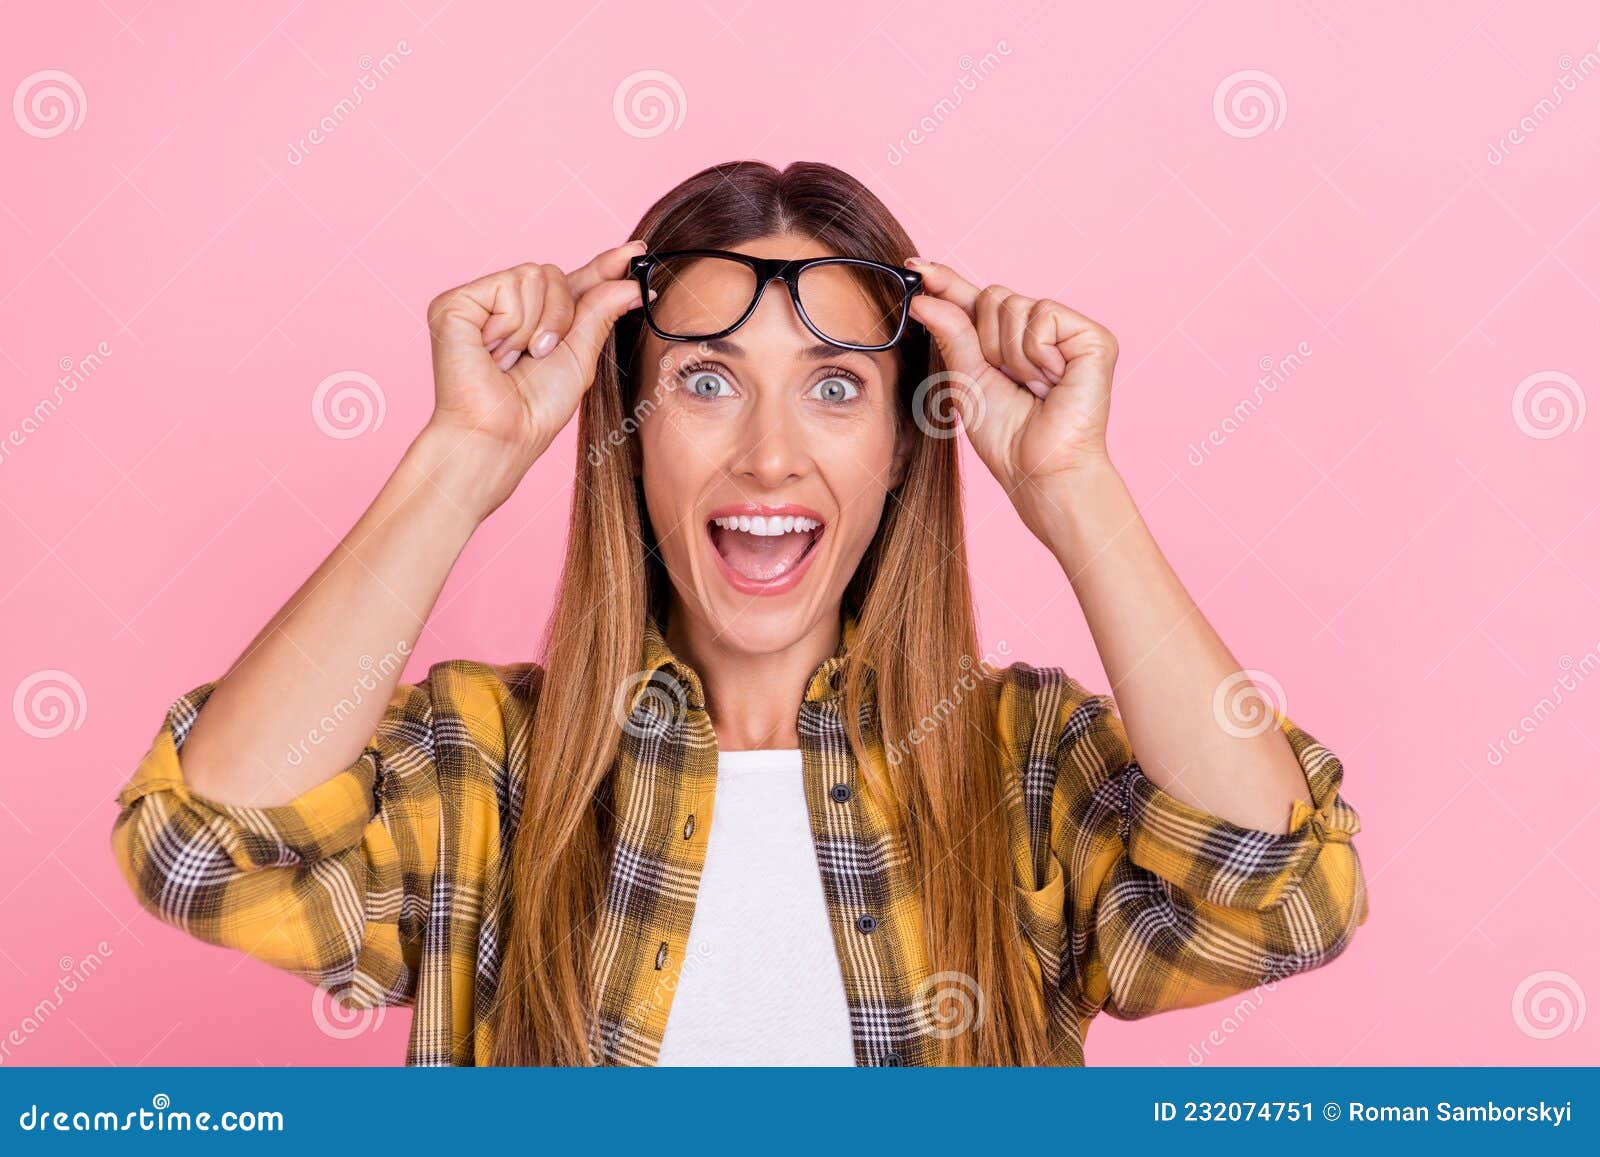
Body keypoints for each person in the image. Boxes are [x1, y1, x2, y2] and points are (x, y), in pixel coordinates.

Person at [110, 159, 1367, 1067]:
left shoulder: (1017, 766)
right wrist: (464, 455)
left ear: (902, 441)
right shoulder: (491, 771)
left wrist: (1071, 485)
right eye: (706, 382)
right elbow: (205, 846)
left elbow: (1279, 897)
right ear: (631, 432)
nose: (769, 457)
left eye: (834, 388)